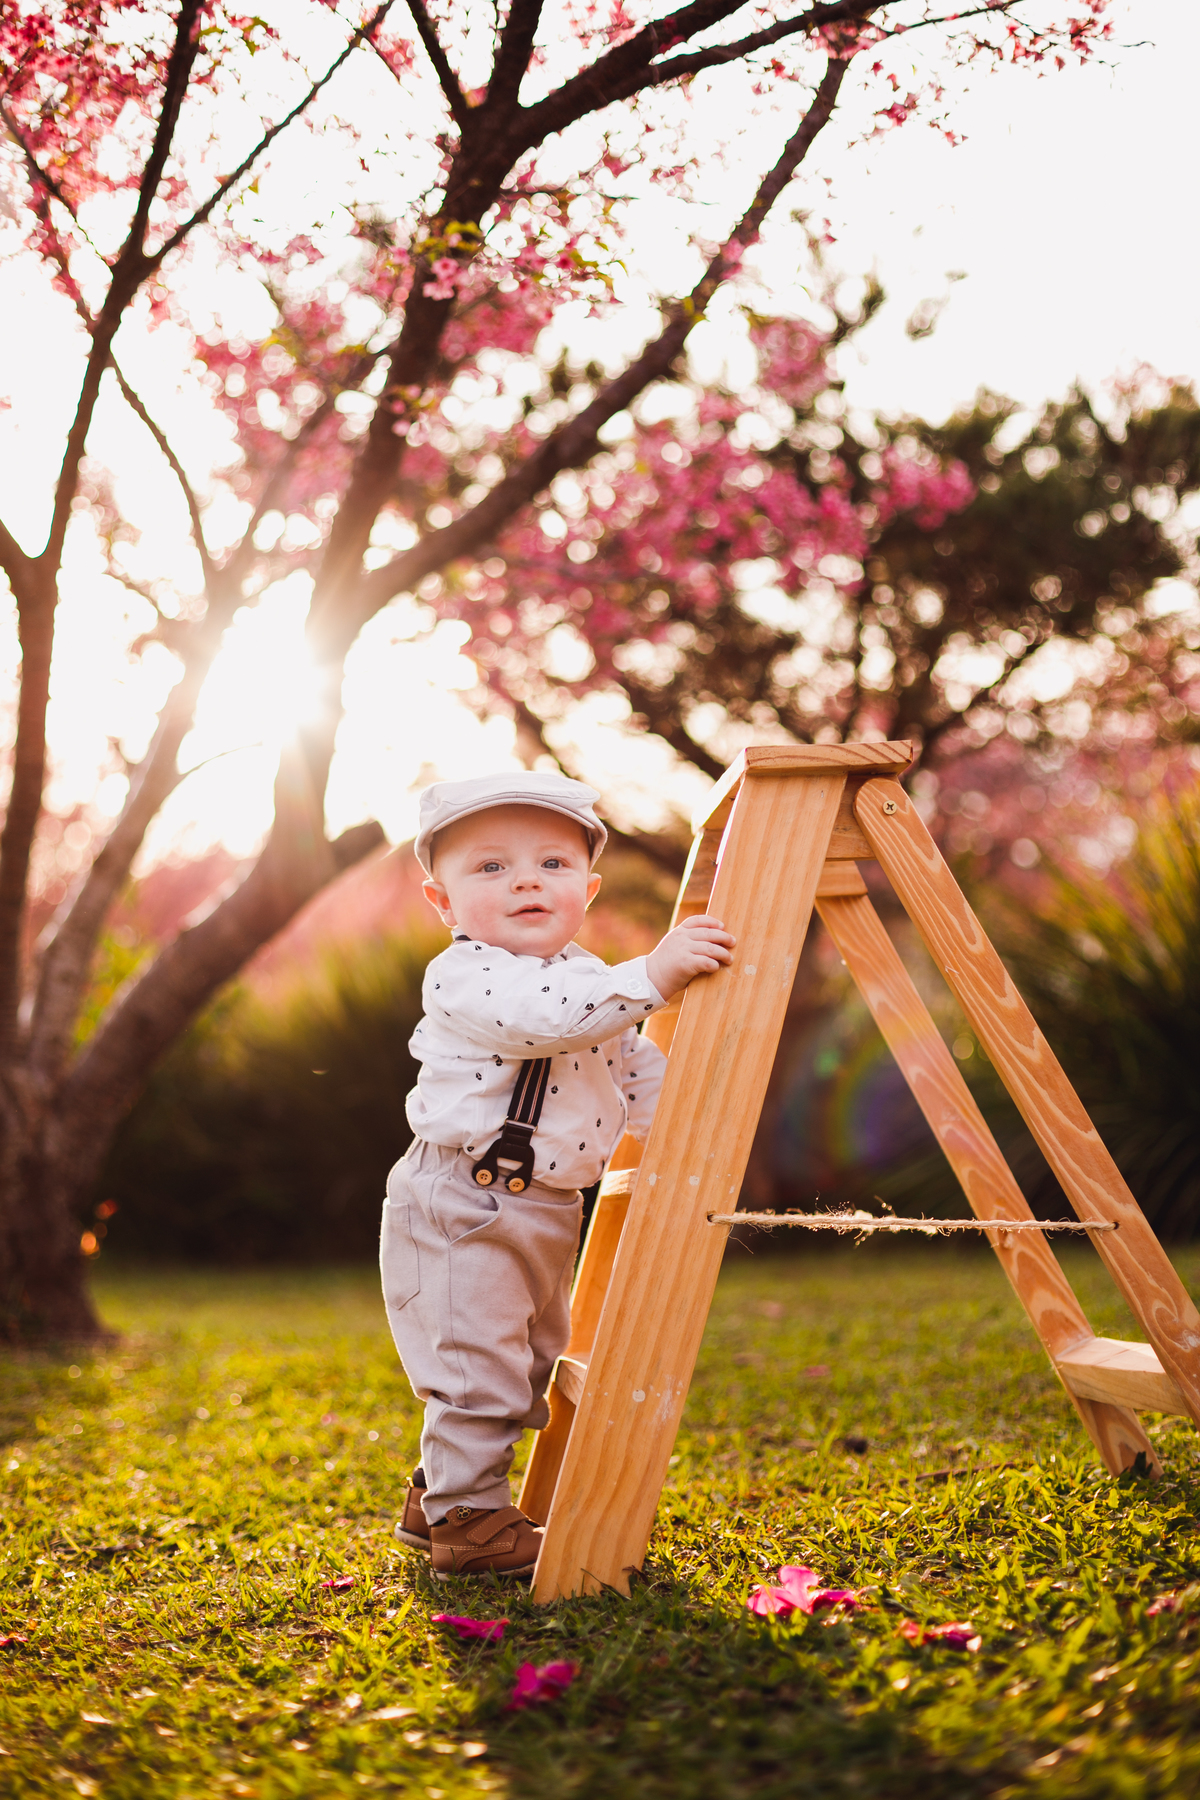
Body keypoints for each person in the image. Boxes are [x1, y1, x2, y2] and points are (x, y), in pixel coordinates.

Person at [380, 770, 734, 1578]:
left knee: (533, 1357)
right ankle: (468, 1527)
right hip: (459, 1201)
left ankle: (436, 1495)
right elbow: (544, 1021)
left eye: (552, 864)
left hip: (545, 1207)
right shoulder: (466, 974)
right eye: (491, 867)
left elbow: (629, 1065)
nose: (527, 881)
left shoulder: (589, 979)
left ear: (587, 886)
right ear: (443, 902)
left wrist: (688, 1137)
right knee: (480, 1367)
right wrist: (653, 975)